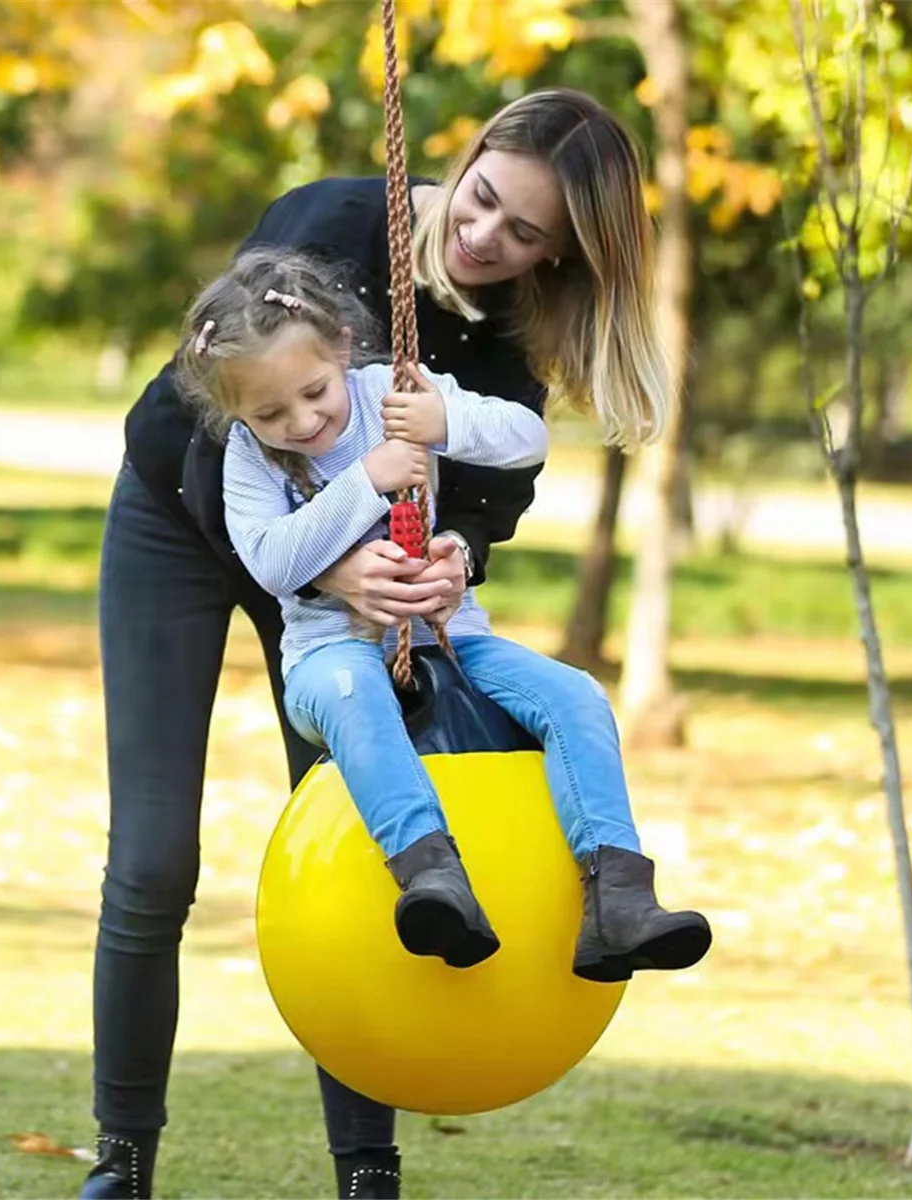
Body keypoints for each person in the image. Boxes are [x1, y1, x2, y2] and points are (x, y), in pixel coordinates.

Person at [84, 89, 684, 1200]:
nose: (485, 235)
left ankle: (367, 1170)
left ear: (558, 255)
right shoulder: (332, 224)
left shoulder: (510, 332)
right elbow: (214, 415)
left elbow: (498, 482)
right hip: (188, 515)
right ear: (471, 154)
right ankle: (122, 1158)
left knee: (374, 840)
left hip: (361, 601)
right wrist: (322, 562)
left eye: (525, 234)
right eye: (485, 197)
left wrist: (451, 550)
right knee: (155, 858)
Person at [174, 245, 712, 980]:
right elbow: (271, 560)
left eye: (315, 392)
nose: (302, 421)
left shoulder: (393, 394)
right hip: (330, 657)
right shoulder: (249, 458)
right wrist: (367, 479)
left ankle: (617, 895)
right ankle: (432, 877)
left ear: (339, 347)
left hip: (452, 635)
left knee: (576, 696)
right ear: (235, 411)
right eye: (269, 412)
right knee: (354, 693)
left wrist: (443, 422)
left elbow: (527, 442)